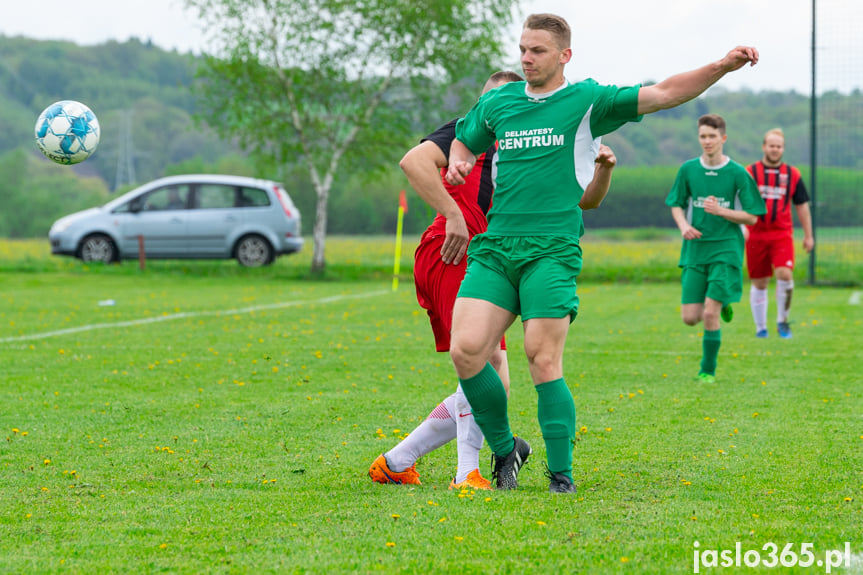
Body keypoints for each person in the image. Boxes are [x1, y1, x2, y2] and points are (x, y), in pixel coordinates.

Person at [444, 13, 758, 493]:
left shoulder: (587, 100)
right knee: (466, 352)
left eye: (538, 51)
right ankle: (507, 449)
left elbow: (663, 93)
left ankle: (561, 473)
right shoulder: (499, 102)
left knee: (540, 357)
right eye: (523, 49)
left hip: (552, 249)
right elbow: (464, 145)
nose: (526, 58)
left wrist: (721, 66)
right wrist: (460, 164)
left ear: (564, 55)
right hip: (497, 245)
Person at [368, 70, 619, 490]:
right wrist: (452, 213)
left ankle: (399, 460)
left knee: (491, 371)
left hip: (479, 252)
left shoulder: (534, 139)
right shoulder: (474, 131)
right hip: (454, 250)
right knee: (481, 362)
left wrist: (601, 168)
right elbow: (413, 161)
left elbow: (582, 200)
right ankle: (467, 472)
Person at [666, 114, 766, 383]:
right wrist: (683, 225)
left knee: (709, 312)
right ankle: (723, 303)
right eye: (703, 136)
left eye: (712, 136)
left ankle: (707, 371)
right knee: (690, 318)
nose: (707, 141)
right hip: (695, 248)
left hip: (726, 248)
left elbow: (753, 217)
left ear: (723, 138)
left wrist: (722, 211)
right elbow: (676, 203)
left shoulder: (737, 173)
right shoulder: (688, 169)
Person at [744, 128, 814, 339]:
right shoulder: (750, 172)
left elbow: (802, 206)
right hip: (755, 233)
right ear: (764, 147)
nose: (775, 150)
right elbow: (737, 200)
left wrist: (808, 235)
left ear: (783, 149)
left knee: (785, 274)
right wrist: (740, 228)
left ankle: (783, 322)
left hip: (781, 234)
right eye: (771, 145)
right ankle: (760, 328)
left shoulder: (792, 175)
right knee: (760, 282)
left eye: (779, 146)